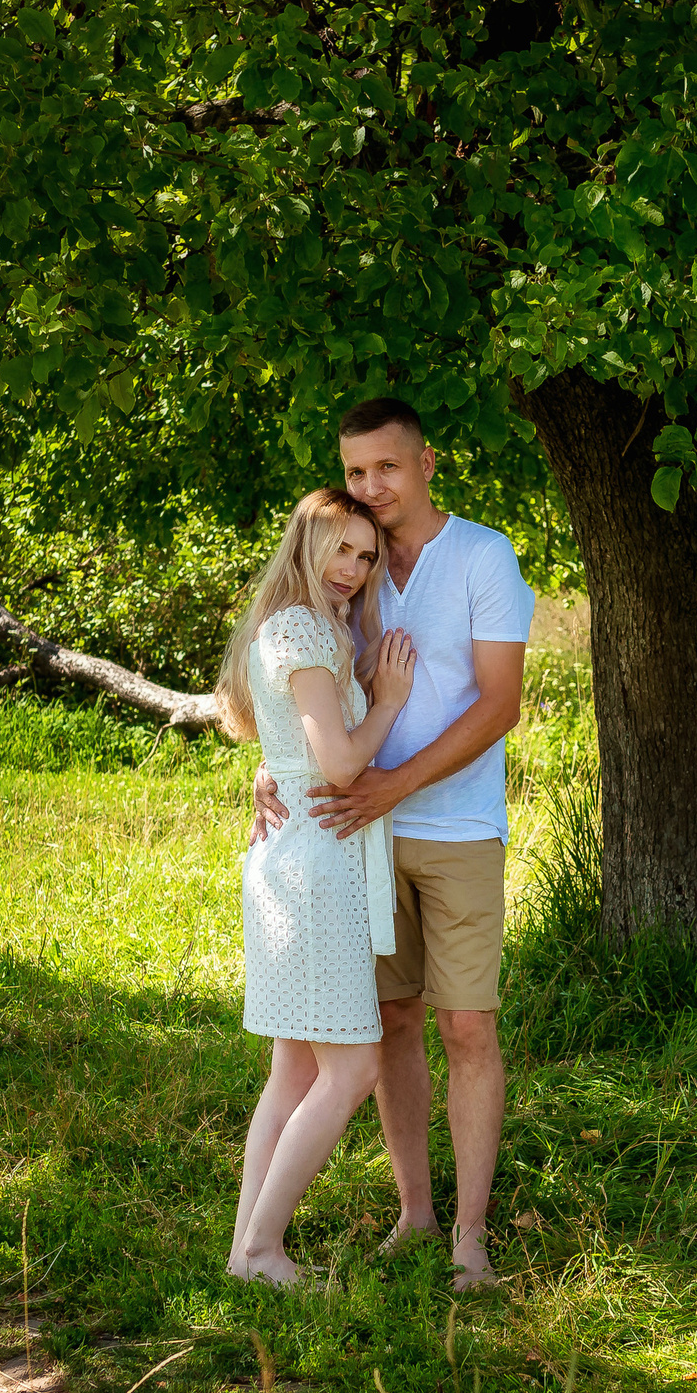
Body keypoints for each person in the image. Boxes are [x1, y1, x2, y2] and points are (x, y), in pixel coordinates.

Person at [252, 398, 534, 1290]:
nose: (371, 487)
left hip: (453, 829)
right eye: (357, 471)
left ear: (426, 463)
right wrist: (274, 772)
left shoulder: (484, 556)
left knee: (468, 1025)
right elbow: (304, 688)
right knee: (391, 1023)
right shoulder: (351, 566)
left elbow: (499, 703)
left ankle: (470, 1234)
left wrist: (386, 787)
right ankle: (415, 1213)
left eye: (387, 468)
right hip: (352, 844)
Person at [216, 488, 418, 1287]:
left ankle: (245, 1251)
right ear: (305, 543)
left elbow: (297, 744)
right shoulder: (301, 626)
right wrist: (392, 702)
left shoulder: (314, 627)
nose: (353, 568)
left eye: (366, 556)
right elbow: (339, 765)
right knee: (351, 1068)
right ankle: (262, 1246)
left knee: (294, 1070)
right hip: (314, 869)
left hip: (299, 857)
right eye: (340, 548)